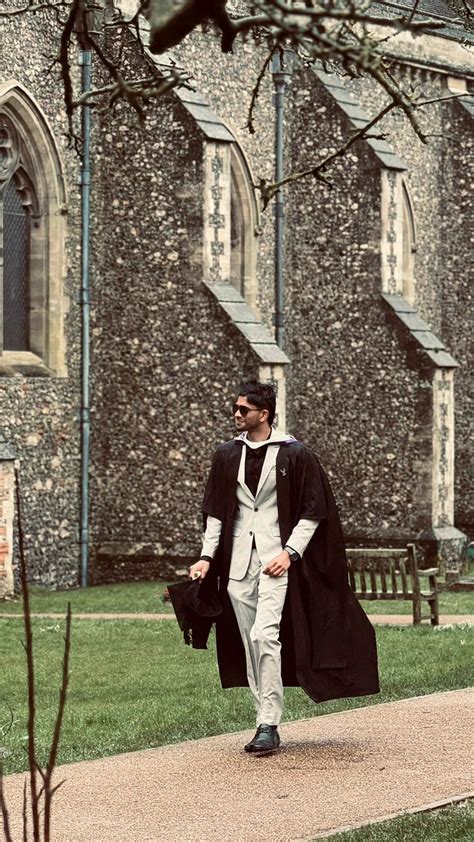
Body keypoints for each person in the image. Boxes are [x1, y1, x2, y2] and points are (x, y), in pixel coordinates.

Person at [189, 380, 379, 755]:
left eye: (244, 409)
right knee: (248, 641)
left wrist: (290, 553)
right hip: (237, 564)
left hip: (276, 562)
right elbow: (215, 512)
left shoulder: (295, 455)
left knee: (264, 635)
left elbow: (313, 511)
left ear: (264, 414)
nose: (236, 414)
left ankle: (268, 723)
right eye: (235, 407)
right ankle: (263, 717)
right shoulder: (226, 455)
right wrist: (207, 556)